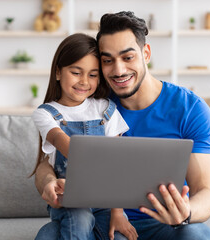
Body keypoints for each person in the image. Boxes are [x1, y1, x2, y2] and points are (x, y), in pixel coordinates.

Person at [35, 11, 210, 240]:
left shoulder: (190, 109)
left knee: (199, 235)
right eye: (107, 60)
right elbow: (47, 162)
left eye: (128, 57)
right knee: (49, 235)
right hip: (99, 224)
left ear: (146, 53)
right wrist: (49, 182)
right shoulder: (91, 101)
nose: (118, 70)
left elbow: (205, 191)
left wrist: (186, 212)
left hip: (165, 224)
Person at [30, 33, 138, 240]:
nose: (84, 82)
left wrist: (117, 212)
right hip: (68, 200)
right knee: (79, 219)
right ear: (58, 73)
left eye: (92, 74)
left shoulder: (106, 109)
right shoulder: (45, 113)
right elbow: (63, 143)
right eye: (76, 72)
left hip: (105, 202)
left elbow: (117, 164)